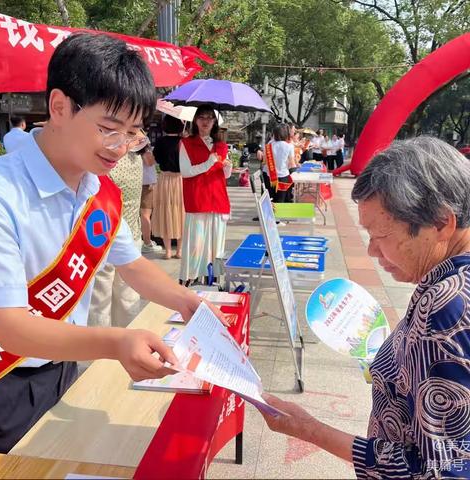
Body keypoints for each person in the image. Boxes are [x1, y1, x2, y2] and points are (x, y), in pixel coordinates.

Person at [0, 32, 225, 456]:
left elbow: (132, 264)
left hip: (61, 366)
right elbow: (9, 327)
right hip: (0, 385)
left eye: (134, 134)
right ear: (59, 107)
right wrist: (116, 342)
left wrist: (188, 302)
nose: (120, 148)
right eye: (109, 129)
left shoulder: (97, 189)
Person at [259, 136, 470, 478]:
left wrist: (310, 430)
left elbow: (442, 468)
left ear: (441, 223)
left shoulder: (446, 305)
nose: (372, 252)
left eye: (380, 236)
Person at [88, 149, 144, 329]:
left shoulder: (104, 166)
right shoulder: (138, 160)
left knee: (99, 301)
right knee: (128, 298)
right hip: (132, 235)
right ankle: (128, 343)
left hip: (103, 237)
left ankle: (100, 349)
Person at [179, 104, 233, 286]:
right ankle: (192, 279)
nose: (206, 121)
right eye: (202, 117)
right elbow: (186, 172)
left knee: (216, 246)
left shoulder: (221, 146)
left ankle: (214, 280)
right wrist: (209, 162)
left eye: (210, 117)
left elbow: (223, 176)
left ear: (215, 122)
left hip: (218, 199)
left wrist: (228, 168)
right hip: (197, 199)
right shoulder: (186, 143)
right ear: (195, 120)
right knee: (196, 245)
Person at [152, 115, 185, 260]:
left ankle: (167, 251)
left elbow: (156, 159)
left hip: (165, 179)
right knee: (180, 212)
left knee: (165, 212)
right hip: (180, 180)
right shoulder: (184, 142)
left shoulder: (160, 142)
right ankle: (179, 250)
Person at [261, 123, 294, 203]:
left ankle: (270, 215)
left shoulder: (268, 146)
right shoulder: (289, 146)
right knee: (281, 201)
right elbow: (292, 164)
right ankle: (280, 215)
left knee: (270, 200)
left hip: (270, 176)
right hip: (283, 176)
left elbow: (264, 162)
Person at [140, 145, 163, 254]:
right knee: (145, 213)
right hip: (146, 182)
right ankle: (147, 243)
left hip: (139, 181)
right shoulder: (141, 141)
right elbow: (149, 161)